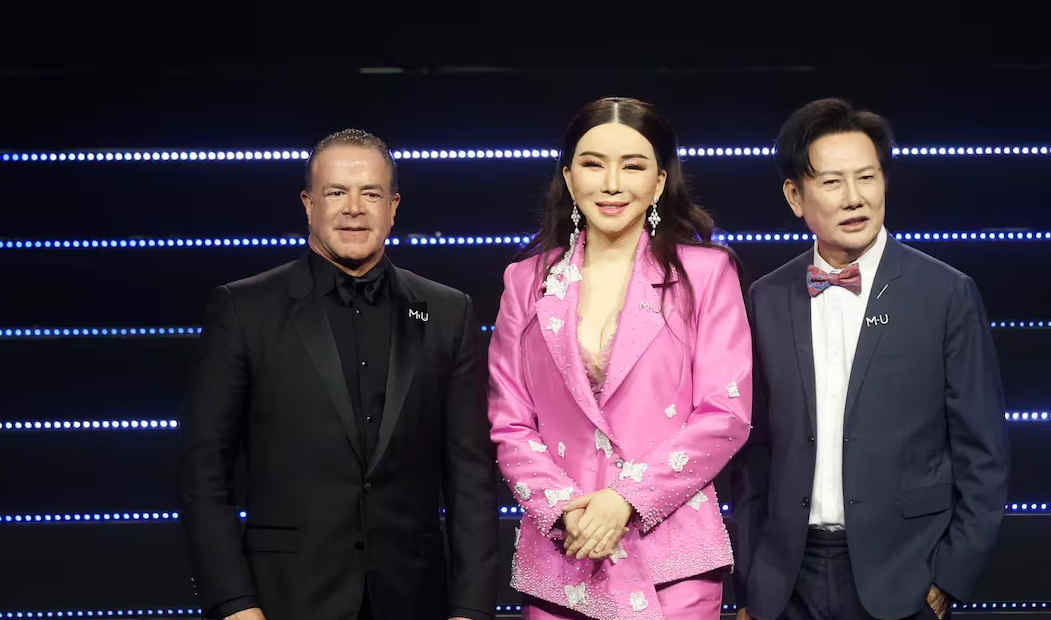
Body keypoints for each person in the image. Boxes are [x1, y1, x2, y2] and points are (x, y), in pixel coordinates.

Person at [178, 129, 498, 620]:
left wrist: (471, 610)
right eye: (335, 193)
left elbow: (470, 477)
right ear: (308, 204)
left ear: (393, 207)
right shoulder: (243, 309)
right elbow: (204, 471)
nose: (354, 208)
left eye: (370, 193)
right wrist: (233, 603)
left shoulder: (448, 313)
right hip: (283, 600)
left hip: (414, 598)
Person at [731, 99, 1010, 620]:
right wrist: (751, 578)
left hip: (904, 575)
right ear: (795, 196)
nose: (855, 197)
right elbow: (755, 452)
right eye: (832, 182)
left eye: (867, 177)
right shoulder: (766, 298)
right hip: (786, 581)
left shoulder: (944, 293)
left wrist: (948, 577)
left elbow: (983, 453)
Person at [487, 97, 752, 620]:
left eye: (632, 166)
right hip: (566, 553)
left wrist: (625, 499)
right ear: (569, 178)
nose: (611, 184)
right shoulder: (526, 282)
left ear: (659, 182)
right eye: (593, 164)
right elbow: (509, 420)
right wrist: (566, 510)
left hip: (670, 557)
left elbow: (725, 413)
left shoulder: (706, 274)